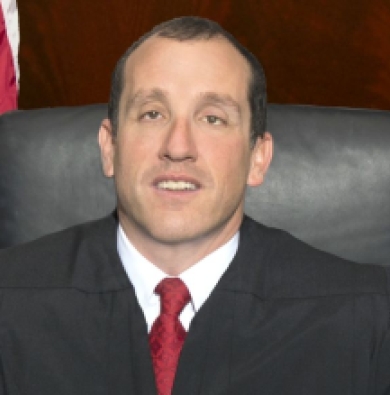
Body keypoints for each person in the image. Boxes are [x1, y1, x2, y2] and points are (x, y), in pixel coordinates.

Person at [0, 16, 389, 395]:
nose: (178, 146)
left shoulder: (368, 321)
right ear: (109, 147)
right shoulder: (9, 304)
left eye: (212, 118)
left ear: (258, 157)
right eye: (153, 113)